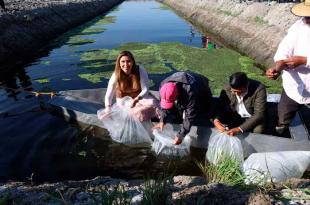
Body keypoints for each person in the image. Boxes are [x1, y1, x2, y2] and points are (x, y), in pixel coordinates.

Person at [265, 0, 310, 134]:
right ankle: (281, 130)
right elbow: (284, 51)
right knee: (283, 116)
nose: (306, 19)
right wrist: (277, 69)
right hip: (293, 87)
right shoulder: (298, 26)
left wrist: (304, 60)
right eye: (306, 16)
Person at [152, 71, 213, 145]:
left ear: (177, 94)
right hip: (181, 84)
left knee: (202, 109)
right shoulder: (163, 85)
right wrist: (162, 120)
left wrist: (181, 136)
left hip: (200, 86)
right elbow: (163, 105)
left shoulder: (190, 91)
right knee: (176, 110)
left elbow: (190, 115)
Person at [101, 50, 157, 121]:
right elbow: (109, 94)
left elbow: (145, 89)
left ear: (133, 62)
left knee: (154, 104)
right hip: (125, 102)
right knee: (139, 113)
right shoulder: (116, 75)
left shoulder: (140, 70)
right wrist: (108, 107)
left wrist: (137, 99)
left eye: (128, 61)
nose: (126, 64)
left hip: (139, 98)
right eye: (123, 61)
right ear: (119, 63)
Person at [214, 72, 267, 136]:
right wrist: (216, 120)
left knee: (258, 132)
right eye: (232, 91)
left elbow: (259, 114)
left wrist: (239, 129)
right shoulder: (227, 88)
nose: (234, 93)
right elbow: (220, 107)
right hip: (234, 115)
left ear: (245, 86)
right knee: (220, 128)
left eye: (237, 92)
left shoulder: (259, 89)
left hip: (252, 117)